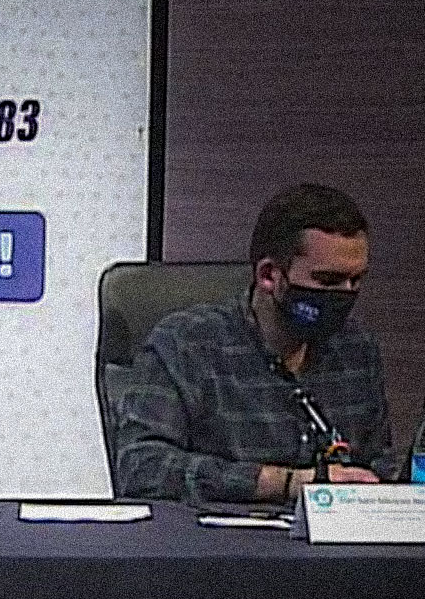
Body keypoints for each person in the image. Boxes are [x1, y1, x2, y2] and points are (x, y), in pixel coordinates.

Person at [113, 184, 400, 504]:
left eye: (355, 280)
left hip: (333, 533)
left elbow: (379, 464)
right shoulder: (186, 345)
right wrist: (288, 484)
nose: (345, 294)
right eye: (328, 281)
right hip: (221, 533)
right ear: (269, 275)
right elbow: (142, 469)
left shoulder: (356, 348)